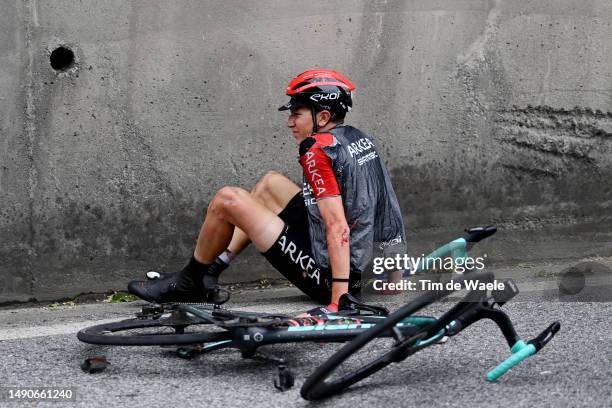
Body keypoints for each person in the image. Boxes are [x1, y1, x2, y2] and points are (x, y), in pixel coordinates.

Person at [128, 69, 406, 315]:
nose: (290, 122)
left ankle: (189, 282)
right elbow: (387, 206)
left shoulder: (317, 150)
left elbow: (336, 226)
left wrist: (337, 302)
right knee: (270, 183)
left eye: (296, 114)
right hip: (362, 266)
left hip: (331, 278)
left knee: (228, 199)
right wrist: (394, 275)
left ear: (322, 116)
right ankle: (211, 272)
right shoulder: (357, 138)